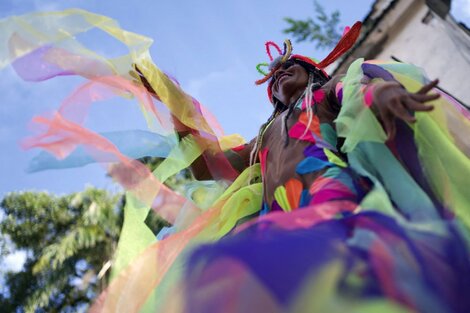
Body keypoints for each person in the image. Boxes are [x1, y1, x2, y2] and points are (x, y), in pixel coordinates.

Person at [3, 10, 470, 313]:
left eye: (290, 67)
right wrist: (165, 101)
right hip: (273, 216)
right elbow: (209, 164)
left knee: (342, 267)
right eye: (273, 78)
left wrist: (387, 92)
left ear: (314, 71)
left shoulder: (324, 94)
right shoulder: (264, 135)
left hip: (328, 188)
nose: (279, 74)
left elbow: (361, 89)